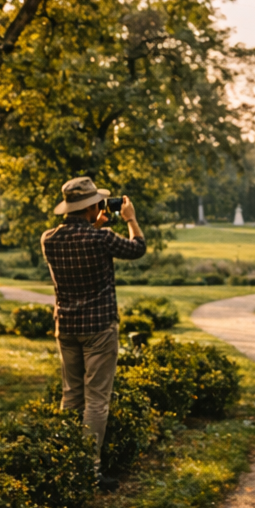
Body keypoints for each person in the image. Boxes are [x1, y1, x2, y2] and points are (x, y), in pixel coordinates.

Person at [42, 176, 147, 490]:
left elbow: (80, 243)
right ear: (91, 206)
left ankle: (67, 460)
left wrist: (95, 226)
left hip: (67, 327)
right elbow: (137, 248)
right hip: (99, 328)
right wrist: (130, 219)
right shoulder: (102, 240)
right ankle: (91, 468)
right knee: (97, 401)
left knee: (71, 396)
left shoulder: (48, 238)